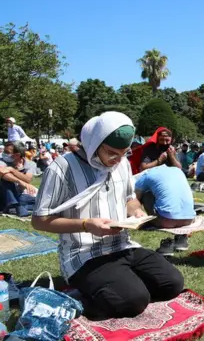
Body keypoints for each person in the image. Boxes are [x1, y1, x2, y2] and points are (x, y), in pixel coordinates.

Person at [31, 112, 184, 318]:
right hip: (83, 254)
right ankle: (100, 291)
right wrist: (86, 224)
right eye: (112, 152)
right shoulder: (62, 168)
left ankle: (120, 285)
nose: (118, 160)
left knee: (172, 283)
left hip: (122, 245)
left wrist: (136, 211)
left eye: (124, 153)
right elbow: (40, 220)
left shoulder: (121, 164)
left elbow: (130, 199)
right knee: (133, 301)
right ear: (94, 143)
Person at [135, 164, 195, 256]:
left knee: (146, 194)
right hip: (189, 219)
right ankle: (181, 238)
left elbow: (135, 199)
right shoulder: (178, 171)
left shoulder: (147, 175)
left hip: (166, 221)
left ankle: (152, 220)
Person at [0, 141, 38, 216]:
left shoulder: (30, 164)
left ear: (17, 155)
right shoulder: (2, 161)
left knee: (41, 201)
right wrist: (19, 181)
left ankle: (12, 207)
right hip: (3, 193)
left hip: (20, 194)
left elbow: (28, 179)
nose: (3, 153)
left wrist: (12, 169)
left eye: (7, 152)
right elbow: (1, 172)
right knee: (6, 180)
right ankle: (17, 206)